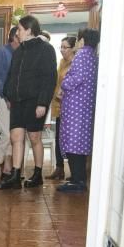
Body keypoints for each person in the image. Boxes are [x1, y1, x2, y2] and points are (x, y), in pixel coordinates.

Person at [0, 15, 57, 190]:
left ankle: (37, 174)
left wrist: (42, 103)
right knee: (16, 137)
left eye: (19, 29)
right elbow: (11, 76)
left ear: (29, 30)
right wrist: (8, 95)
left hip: (35, 101)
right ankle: (16, 176)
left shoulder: (46, 49)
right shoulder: (19, 51)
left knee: (34, 137)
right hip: (17, 102)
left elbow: (49, 78)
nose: (17, 32)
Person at [58, 29, 100, 193]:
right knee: (80, 143)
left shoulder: (82, 55)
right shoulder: (93, 56)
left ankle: (78, 181)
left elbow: (77, 78)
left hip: (76, 107)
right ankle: (78, 177)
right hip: (84, 106)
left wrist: (64, 83)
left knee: (73, 143)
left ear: (82, 41)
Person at [0, 26, 20, 181]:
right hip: (3, 99)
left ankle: (6, 169)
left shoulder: (20, 53)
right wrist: (7, 98)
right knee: (7, 134)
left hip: (16, 101)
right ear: (15, 36)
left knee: (13, 136)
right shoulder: (2, 52)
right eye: (21, 33)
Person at [48, 36, 78, 181]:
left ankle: (74, 171)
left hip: (71, 108)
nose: (62, 50)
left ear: (73, 48)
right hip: (58, 105)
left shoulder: (76, 64)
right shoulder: (61, 62)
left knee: (70, 140)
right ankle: (59, 168)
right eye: (61, 47)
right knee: (58, 137)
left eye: (65, 47)